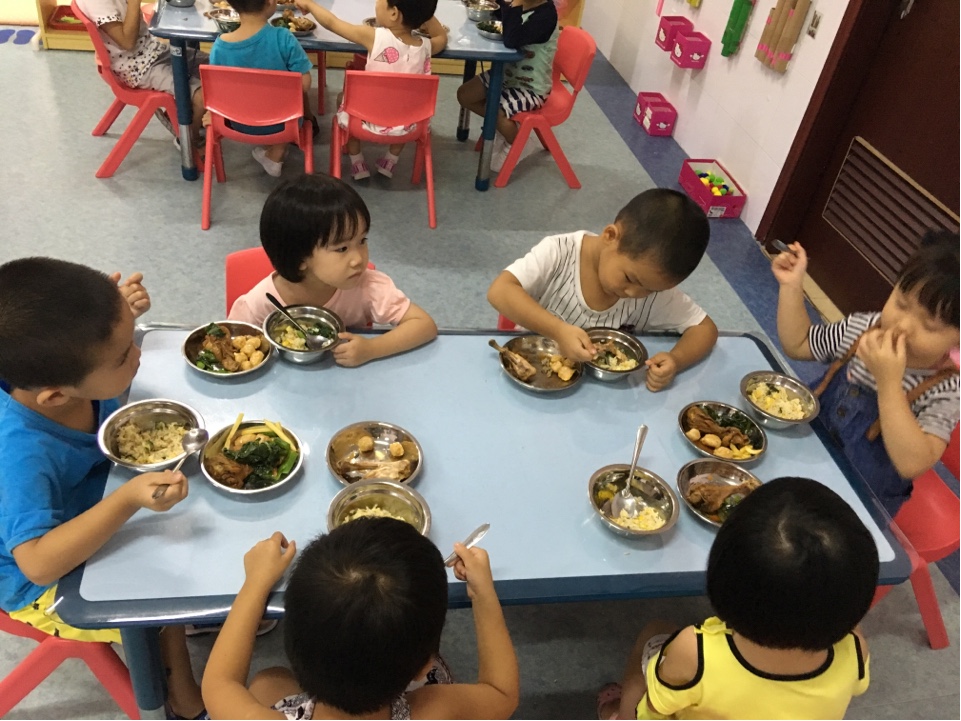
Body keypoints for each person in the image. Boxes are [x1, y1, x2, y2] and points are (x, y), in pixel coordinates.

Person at [0, 258, 205, 719]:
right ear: (57, 395)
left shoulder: (68, 373)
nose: (138, 355)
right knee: (158, 590)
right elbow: (37, 564)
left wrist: (119, 317)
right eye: (123, 355)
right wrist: (127, 500)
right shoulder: (20, 454)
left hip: (88, 501)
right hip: (40, 583)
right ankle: (177, 693)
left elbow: (82, 338)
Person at [598, 477, 879, 720]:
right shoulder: (856, 650)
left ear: (722, 579)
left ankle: (620, 714)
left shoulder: (694, 651)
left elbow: (656, 708)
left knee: (654, 633)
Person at [201, 518, 520, 719]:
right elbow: (501, 693)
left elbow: (219, 683)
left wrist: (256, 582)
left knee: (267, 680)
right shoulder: (435, 708)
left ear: (293, 643)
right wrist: (484, 594)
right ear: (426, 666)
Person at [773, 231, 960, 517]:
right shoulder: (864, 329)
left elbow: (912, 463)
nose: (902, 326)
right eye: (901, 304)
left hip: (857, 506)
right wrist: (791, 286)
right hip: (804, 458)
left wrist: (889, 383)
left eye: (929, 326)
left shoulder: (946, 389)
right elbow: (798, 344)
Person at [487, 188, 718, 391]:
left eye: (650, 290)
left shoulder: (648, 284)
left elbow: (705, 329)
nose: (635, 294)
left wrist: (676, 360)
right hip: (529, 373)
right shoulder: (559, 253)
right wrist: (558, 331)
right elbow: (499, 291)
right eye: (629, 278)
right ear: (610, 236)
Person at [228, 173, 438, 366]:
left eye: (362, 241)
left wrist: (372, 349)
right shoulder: (260, 304)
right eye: (342, 248)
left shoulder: (367, 287)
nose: (358, 259)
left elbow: (424, 324)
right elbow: (229, 345)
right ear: (300, 257)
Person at [295, 0, 448, 180]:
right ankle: (390, 160)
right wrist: (422, 10)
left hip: (364, 123)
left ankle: (357, 160)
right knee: (406, 107)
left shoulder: (374, 36)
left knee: (343, 98)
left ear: (394, 13)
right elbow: (442, 36)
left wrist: (309, 4)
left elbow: (332, 23)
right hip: (409, 127)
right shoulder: (426, 47)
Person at [76, 0, 206, 149]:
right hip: (136, 68)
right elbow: (127, 42)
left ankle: (186, 115)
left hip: (153, 51)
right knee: (202, 95)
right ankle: (188, 141)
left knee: (215, 67)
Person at [209, 0, 316, 178]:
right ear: (270, 2)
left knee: (264, 101)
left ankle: (274, 152)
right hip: (284, 125)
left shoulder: (219, 47)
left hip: (236, 123)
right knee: (291, 104)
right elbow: (304, 84)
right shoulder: (283, 38)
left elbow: (216, 93)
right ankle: (276, 151)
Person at [456, 0, 559, 172]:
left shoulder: (546, 16)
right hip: (507, 75)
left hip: (530, 87)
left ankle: (519, 142)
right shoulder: (524, 4)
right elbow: (501, 16)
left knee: (494, 110)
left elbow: (512, 39)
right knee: (465, 95)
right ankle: (505, 128)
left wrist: (514, 5)